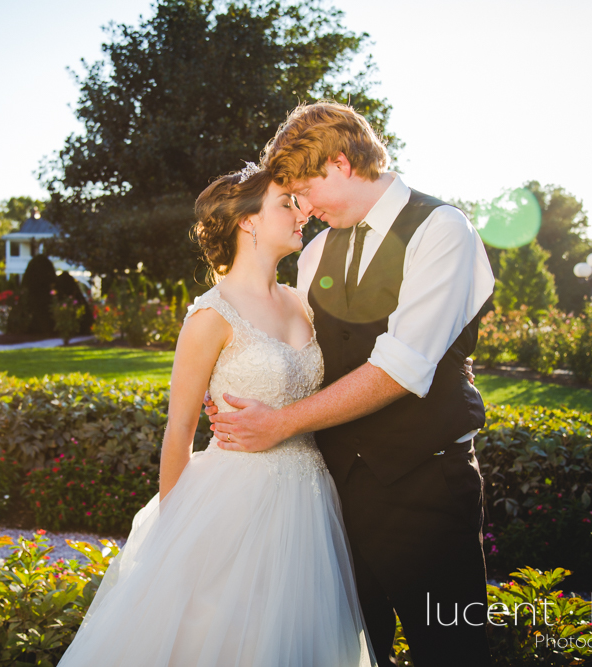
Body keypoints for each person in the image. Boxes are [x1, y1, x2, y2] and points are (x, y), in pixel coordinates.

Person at [207, 102, 495, 667]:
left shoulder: (441, 230)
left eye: (305, 191)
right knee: (350, 654)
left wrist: (280, 424)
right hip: (331, 492)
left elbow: (402, 368)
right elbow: (307, 357)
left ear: (340, 163)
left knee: (452, 652)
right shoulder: (315, 253)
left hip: (426, 488)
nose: (304, 211)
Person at [57, 162, 376, 667]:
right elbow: (180, 429)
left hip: (311, 497)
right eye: (286, 204)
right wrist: (174, 535)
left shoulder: (302, 303)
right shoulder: (212, 314)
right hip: (234, 501)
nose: (303, 214)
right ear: (248, 221)